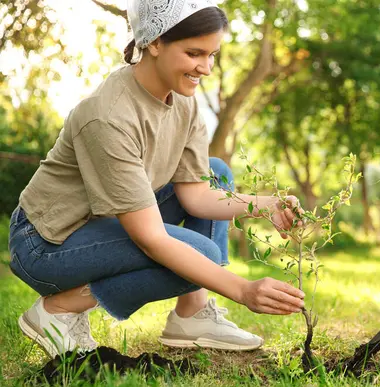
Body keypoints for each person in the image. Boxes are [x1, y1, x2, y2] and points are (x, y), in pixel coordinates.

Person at [8, 0, 306, 358]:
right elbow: (151, 239)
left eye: (212, 55)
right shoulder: (109, 116)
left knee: (217, 172)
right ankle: (58, 309)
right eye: (194, 53)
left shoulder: (184, 100)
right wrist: (242, 290)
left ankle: (192, 314)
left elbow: (195, 196)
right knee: (201, 256)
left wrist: (266, 207)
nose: (206, 68)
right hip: (47, 244)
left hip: (105, 226)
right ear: (155, 42)